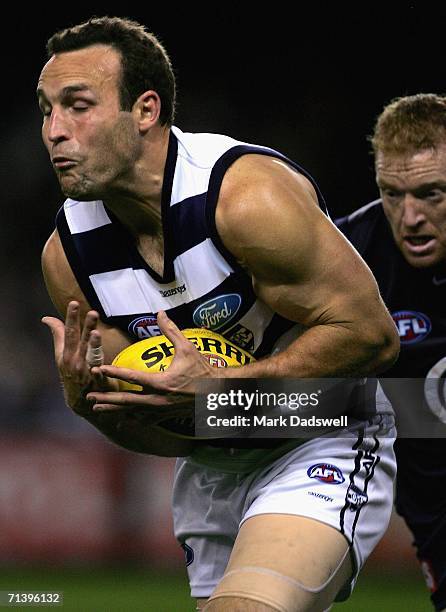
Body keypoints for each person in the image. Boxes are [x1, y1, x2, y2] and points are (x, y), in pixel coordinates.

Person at [38, 17, 399, 612]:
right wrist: (94, 407)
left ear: (146, 110)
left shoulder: (244, 197)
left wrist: (220, 390)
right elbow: (162, 426)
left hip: (323, 431)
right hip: (214, 469)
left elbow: (373, 338)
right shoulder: (68, 256)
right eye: (46, 110)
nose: (54, 131)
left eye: (77, 106)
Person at [336, 93, 446, 612]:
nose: (410, 218)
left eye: (431, 194)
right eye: (391, 193)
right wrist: (206, 403)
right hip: (433, 508)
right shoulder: (349, 258)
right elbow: (306, 397)